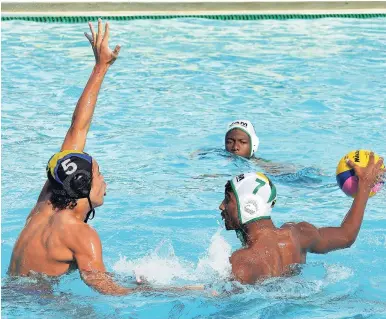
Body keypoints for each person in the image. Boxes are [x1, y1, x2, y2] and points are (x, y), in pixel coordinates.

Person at [8, 20, 203, 296]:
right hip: (39, 305)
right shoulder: (81, 235)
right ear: (82, 187)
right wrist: (174, 289)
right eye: (99, 175)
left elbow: (78, 129)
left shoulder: (46, 204)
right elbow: (110, 291)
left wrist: (101, 67)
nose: (105, 182)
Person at [219, 152, 384, 284]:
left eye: (228, 199)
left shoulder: (241, 262)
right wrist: (364, 186)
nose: (222, 206)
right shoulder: (298, 235)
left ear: (249, 205)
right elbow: (347, 235)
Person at [225, 120, 296, 175]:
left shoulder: (267, 167)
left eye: (242, 142)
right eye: (229, 142)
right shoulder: (217, 155)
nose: (235, 147)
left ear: (254, 144)